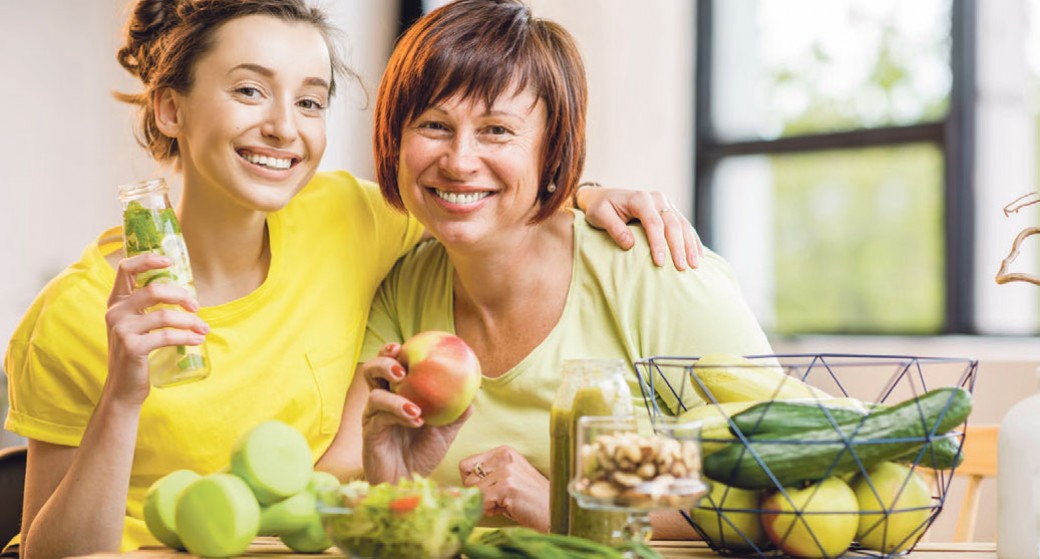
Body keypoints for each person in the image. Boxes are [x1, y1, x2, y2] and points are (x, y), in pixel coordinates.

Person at [2, 0, 700, 556]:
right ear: (170, 109)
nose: (283, 127)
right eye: (250, 90)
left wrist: (581, 192)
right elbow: (52, 552)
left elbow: (468, 193)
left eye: (309, 102)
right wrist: (122, 396)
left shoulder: (351, 218)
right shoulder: (77, 313)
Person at [351, 0, 774, 538]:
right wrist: (394, 482)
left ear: (551, 149)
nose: (458, 161)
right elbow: (344, 474)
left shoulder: (652, 270)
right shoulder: (406, 286)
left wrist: (568, 506)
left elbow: (776, 478)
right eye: (433, 125)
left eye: (497, 131)